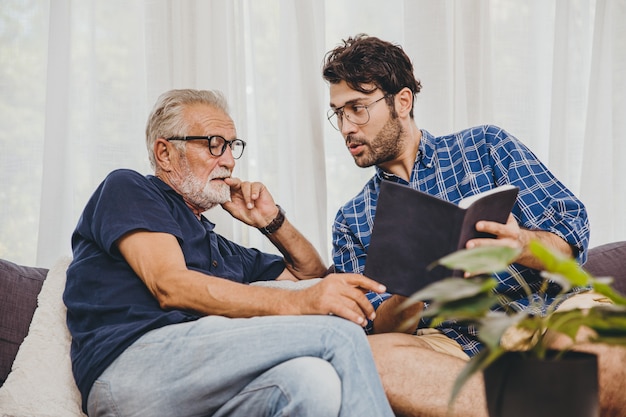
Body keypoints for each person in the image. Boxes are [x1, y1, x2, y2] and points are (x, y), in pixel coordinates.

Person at [322, 34, 626, 417]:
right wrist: (414, 286)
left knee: (603, 346)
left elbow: (571, 233)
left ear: (402, 101)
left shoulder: (485, 147)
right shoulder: (351, 220)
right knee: (369, 357)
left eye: (357, 108)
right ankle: (553, 399)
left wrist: (522, 244)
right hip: (451, 347)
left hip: (548, 313)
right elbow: (376, 325)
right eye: (338, 113)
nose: (347, 126)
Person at [63, 88, 396, 417]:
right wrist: (299, 304)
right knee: (340, 334)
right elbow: (170, 285)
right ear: (164, 153)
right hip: (130, 369)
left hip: (193, 383)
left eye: (232, 146)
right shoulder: (130, 189)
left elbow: (310, 276)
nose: (229, 160)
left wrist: (272, 222)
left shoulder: (220, 248)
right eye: (214, 144)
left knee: (312, 382)